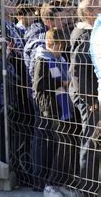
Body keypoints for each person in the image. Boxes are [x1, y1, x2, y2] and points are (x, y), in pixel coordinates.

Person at [32, 28, 73, 193]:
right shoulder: (43, 60)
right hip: (48, 108)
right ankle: (40, 180)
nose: (62, 50)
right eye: (61, 46)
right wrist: (61, 84)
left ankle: (52, 180)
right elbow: (39, 85)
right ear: (53, 44)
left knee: (56, 143)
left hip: (58, 106)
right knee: (46, 144)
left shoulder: (60, 59)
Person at [70, 0, 101, 195]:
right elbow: (79, 70)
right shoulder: (84, 34)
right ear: (90, 13)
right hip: (89, 98)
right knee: (90, 139)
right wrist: (89, 98)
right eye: (98, 7)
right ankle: (88, 187)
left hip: (91, 95)